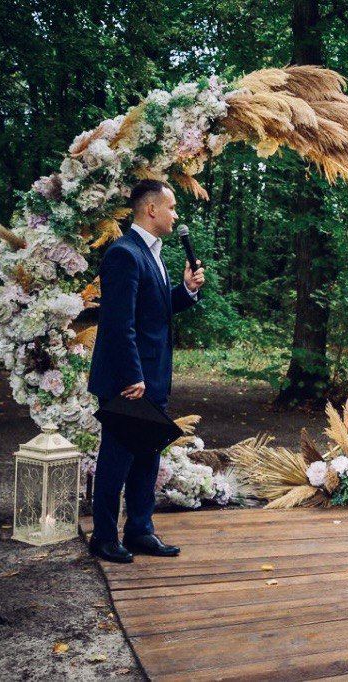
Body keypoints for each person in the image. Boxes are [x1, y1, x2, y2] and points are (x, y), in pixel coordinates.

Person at [87, 179, 205, 564]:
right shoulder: (124, 253)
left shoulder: (152, 253)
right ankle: (104, 537)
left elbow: (154, 311)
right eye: (172, 207)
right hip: (130, 381)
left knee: (146, 457)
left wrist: (185, 290)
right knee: (117, 459)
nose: (176, 214)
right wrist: (131, 375)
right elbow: (118, 324)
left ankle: (140, 530)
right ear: (152, 209)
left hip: (153, 377)